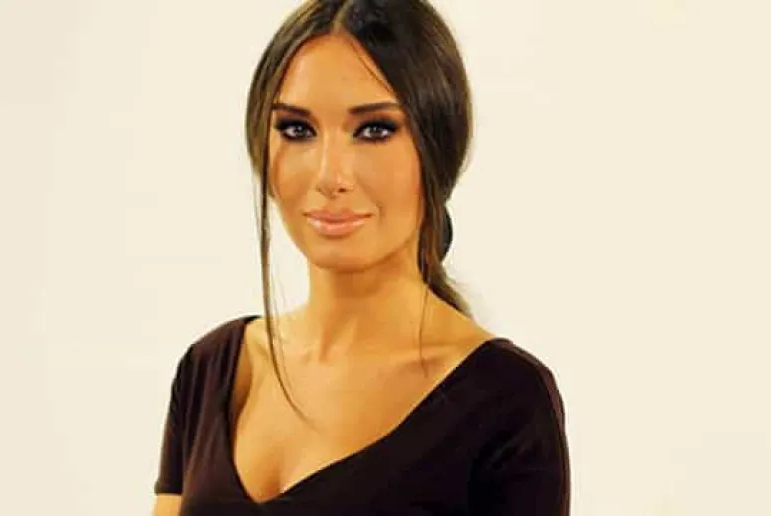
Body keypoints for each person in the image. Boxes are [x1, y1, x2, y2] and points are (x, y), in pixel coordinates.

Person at [152, 0, 570, 514]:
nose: (330, 175)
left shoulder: (506, 402)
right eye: (297, 129)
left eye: (374, 130)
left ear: (439, 146)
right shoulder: (211, 368)